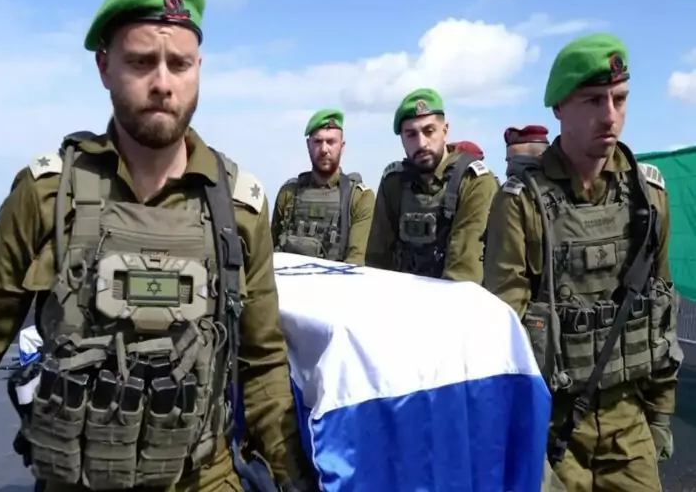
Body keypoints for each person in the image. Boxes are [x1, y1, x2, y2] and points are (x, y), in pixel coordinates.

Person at [0, 0, 316, 492]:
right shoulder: (48, 196)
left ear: (198, 70)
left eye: (179, 64)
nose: (163, 82)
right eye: (141, 62)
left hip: (202, 479)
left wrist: (293, 478)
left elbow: (262, 366)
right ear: (105, 67)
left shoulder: (240, 209)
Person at [483, 32, 683, 492]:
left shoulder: (648, 197)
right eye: (593, 100)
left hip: (628, 420)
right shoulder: (521, 203)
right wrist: (520, 445)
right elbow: (502, 340)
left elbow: (661, 310)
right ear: (559, 107)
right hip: (552, 429)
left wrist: (660, 415)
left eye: (619, 99)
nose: (610, 115)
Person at [365, 88, 497, 282]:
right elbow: (376, 260)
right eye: (411, 134)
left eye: (429, 131)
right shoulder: (394, 183)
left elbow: (463, 272)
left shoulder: (474, 182)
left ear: (445, 131)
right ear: (402, 139)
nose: (422, 143)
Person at [271, 109, 374, 264]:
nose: (324, 149)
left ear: (342, 146)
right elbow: (269, 252)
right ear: (308, 145)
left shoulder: (359, 197)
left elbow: (355, 262)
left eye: (331, 142)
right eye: (318, 142)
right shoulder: (289, 192)